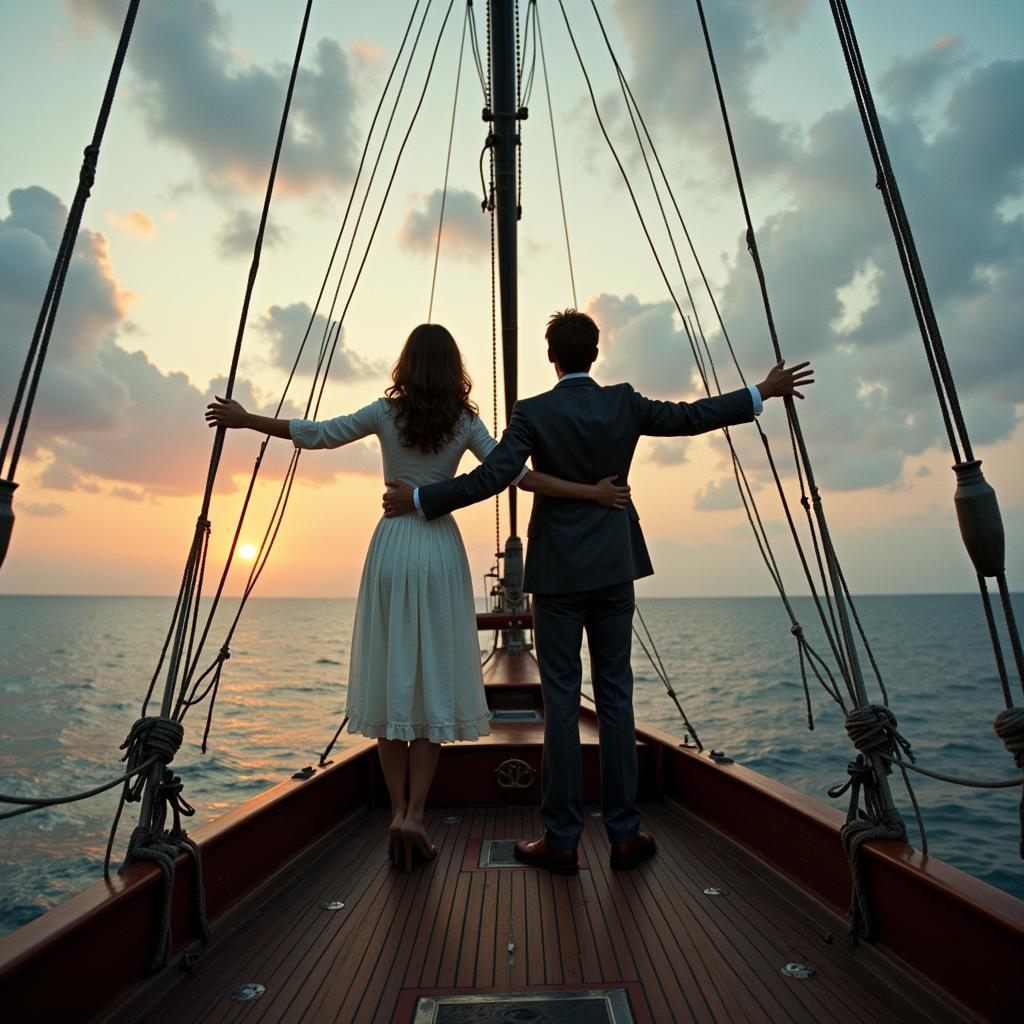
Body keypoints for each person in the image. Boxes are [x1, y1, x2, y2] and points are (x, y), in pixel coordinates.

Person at [383, 310, 814, 874]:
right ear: (595, 352)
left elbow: (495, 478)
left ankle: (561, 840)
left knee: (561, 703)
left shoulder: (532, 412)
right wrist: (761, 392)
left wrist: (419, 500)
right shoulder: (624, 402)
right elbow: (692, 418)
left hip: (558, 574)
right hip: (614, 567)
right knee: (616, 699)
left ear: (551, 356)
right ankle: (625, 835)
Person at [205, 323, 630, 872]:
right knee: (431, 683)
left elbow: (320, 433)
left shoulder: (387, 413)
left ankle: (397, 812)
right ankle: (415, 816)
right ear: (454, 368)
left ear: (406, 363)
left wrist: (247, 421)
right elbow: (519, 478)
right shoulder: (464, 420)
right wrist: (591, 492)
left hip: (392, 545)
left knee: (393, 676)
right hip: (438, 548)